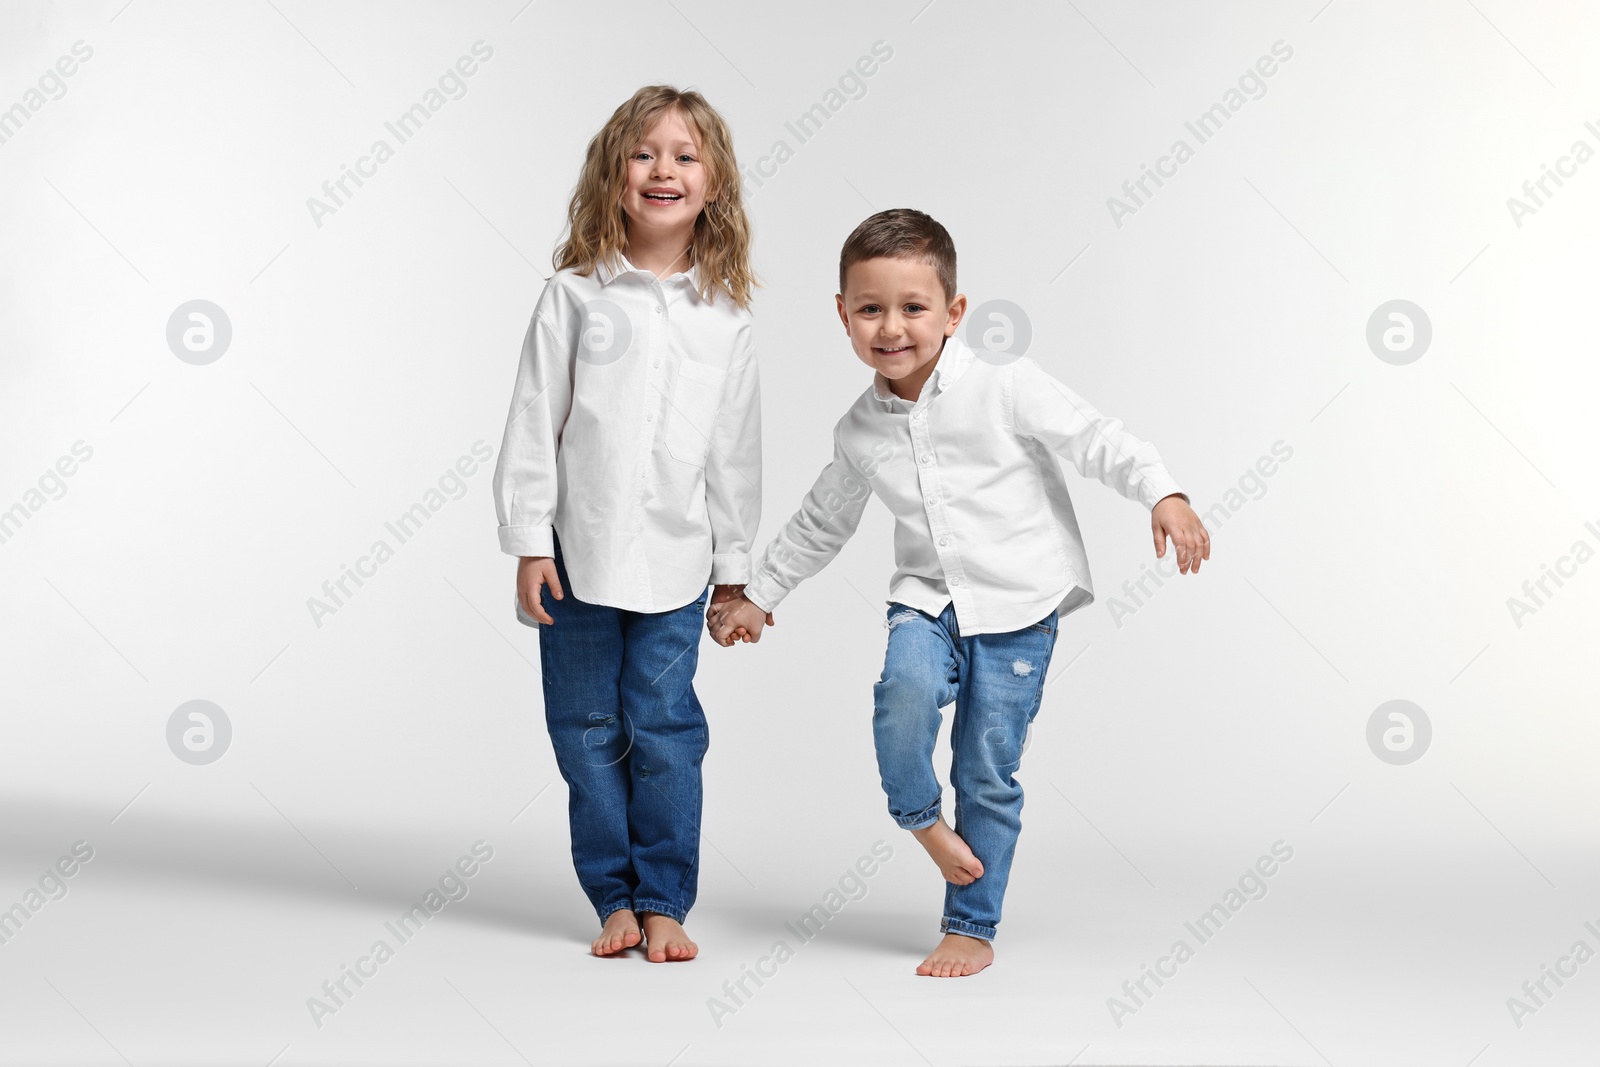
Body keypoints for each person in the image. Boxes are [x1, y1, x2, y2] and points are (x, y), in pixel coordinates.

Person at [707, 208, 1210, 977]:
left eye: (913, 307)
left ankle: (971, 924)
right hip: (928, 600)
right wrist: (760, 594)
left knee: (986, 767)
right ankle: (920, 821)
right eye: (870, 309)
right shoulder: (859, 430)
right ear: (843, 315)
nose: (892, 327)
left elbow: (1093, 435)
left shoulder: (1004, 382)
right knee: (902, 696)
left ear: (954, 312)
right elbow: (821, 521)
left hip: (1020, 606)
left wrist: (1162, 494)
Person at [492, 85, 766, 963]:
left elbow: (736, 452)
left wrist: (735, 567)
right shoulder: (573, 296)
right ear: (614, 176)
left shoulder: (727, 322)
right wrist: (530, 538)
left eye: (686, 156)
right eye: (645, 153)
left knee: (666, 727)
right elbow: (536, 419)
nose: (664, 169)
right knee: (584, 728)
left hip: (678, 566)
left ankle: (664, 896)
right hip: (577, 557)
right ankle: (611, 894)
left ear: (715, 183)